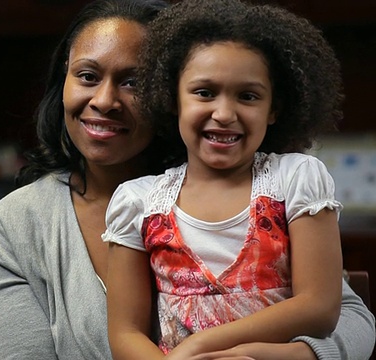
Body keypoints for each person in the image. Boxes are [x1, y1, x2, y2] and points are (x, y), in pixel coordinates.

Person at [0, 0, 375, 359]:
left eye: (132, 82)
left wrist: (291, 357)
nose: (104, 100)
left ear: (159, 92)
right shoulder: (24, 219)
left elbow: (344, 319)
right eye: (87, 76)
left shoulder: (277, 185)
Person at [103, 0, 367, 358]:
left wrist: (200, 345)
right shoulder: (137, 202)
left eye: (248, 96)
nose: (224, 113)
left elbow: (319, 308)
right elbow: (125, 334)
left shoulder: (296, 179)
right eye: (204, 92)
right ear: (171, 99)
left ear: (274, 109)